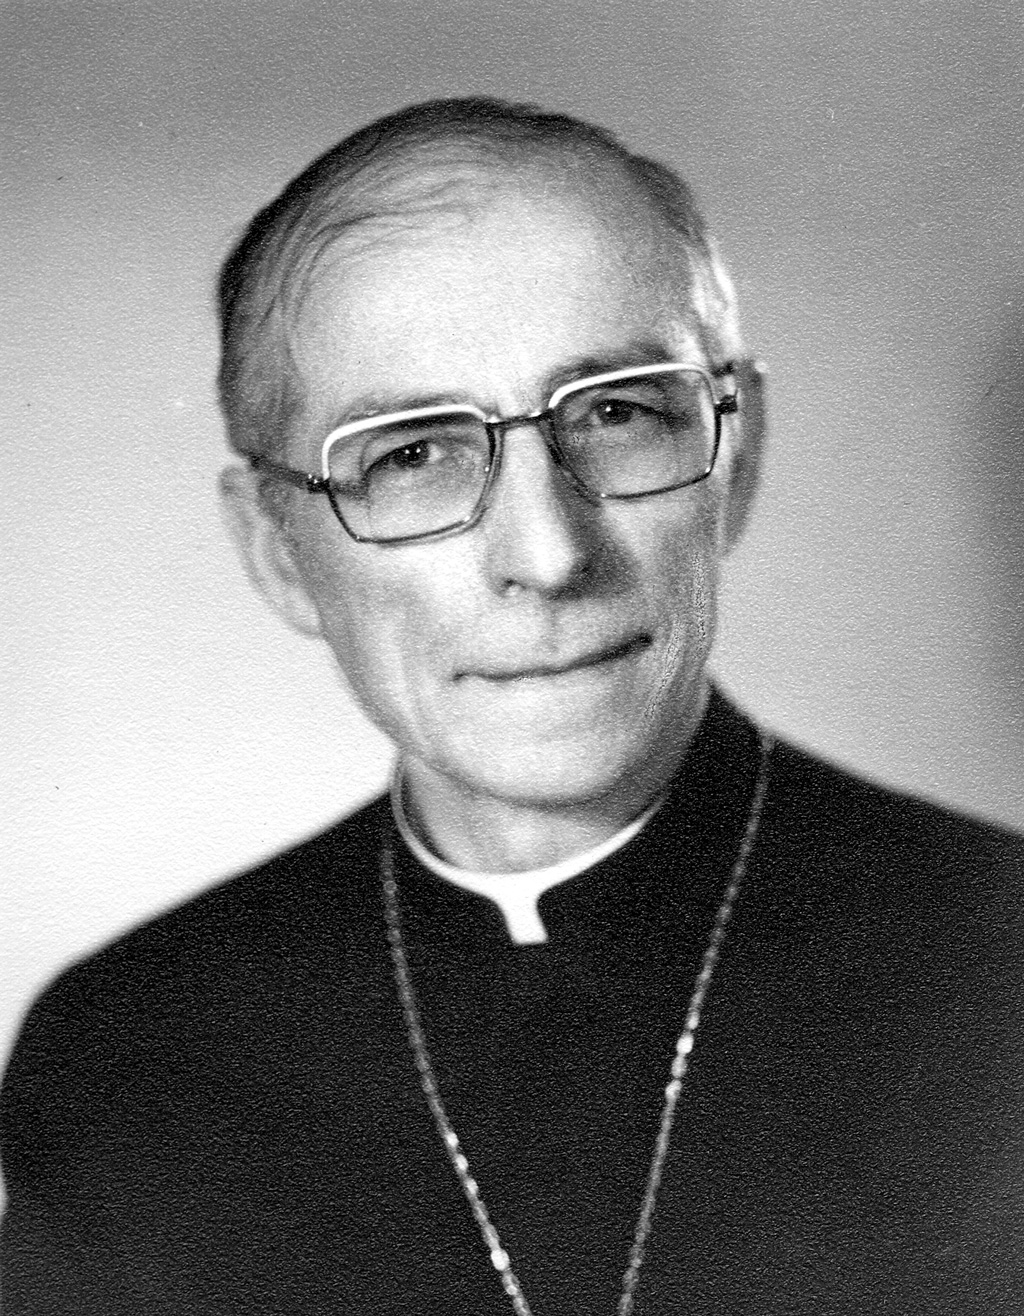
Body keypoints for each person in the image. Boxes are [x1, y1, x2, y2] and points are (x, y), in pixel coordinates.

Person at [1, 97, 1022, 1316]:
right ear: (279, 550)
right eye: (412, 453)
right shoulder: (121, 1053)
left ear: (736, 454)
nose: (547, 552)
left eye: (618, 413)